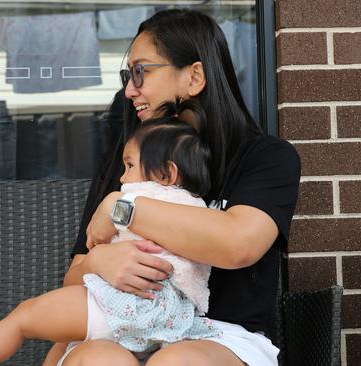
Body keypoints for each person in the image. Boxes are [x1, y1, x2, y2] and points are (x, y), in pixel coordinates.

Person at [43, 8, 301, 366]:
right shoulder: (127, 161)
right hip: (119, 328)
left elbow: (238, 243)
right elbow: (73, 282)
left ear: (194, 77)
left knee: (176, 362)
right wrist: (99, 262)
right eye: (127, 75)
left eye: (140, 72)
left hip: (220, 337)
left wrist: (123, 209)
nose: (130, 89)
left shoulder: (264, 157)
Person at [0, 102, 226, 366]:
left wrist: (105, 233)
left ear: (165, 173)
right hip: (169, 322)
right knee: (63, 341)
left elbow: (94, 243)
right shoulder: (197, 212)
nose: (122, 177)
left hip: (123, 305)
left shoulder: (137, 200)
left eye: (129, 165)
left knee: (24, 318)